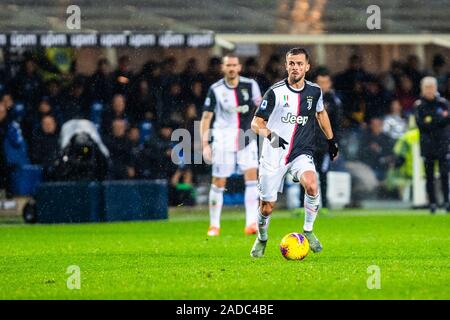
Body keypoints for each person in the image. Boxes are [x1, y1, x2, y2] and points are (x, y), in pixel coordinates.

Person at [249, 48, 338, 257]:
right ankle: (262, 238)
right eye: (291, 63)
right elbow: (256, 122)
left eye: (299, 64)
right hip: (274, 154)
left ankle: (308, 230)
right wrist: (271, 135)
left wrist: (331, 140)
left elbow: (320, 113)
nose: (295, 67)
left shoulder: (315, 91)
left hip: (301, 152)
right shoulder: (275, 92)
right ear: (286, 65)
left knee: (312, 185)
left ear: (307, 67)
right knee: (267, 207)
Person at [200, 53, 262, 236]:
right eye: (228, 65)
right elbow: (206, 117)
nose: (232, 68)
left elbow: (261, 109)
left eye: (234, 65)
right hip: (223, 139)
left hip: (246, 138)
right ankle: (214, 225)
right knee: (219, 182)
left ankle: (251, 223)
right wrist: (205, 144)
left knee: (252, 179)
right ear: (223, 68)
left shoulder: (251, 85)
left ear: (239, 67)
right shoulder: (216, 89)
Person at [299, 69, 342, 211]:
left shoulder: (334, 101)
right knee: (304, 174)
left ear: (330, 84)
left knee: (323, 174)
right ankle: (301, 205)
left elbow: (337, 125)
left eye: (325, 82)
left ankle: (323, 204)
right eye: (320, 82)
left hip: (324, 145)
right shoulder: (307, 97)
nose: (323, 85)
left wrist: (335, 145)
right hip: (307, 143)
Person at [415, 76, 450, 213]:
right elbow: (421, 124)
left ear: (436, 88)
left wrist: (431, 121)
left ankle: (446, 202)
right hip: (427, 144)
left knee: (444, 174)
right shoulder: (419, 105)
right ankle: (432, 203)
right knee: (429, 176)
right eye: (427, 87)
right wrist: (437, 121)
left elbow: (446, 120)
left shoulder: (443, 103)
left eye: (431, 87)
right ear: (423, 89)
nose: (429, 90)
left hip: (442, 143)